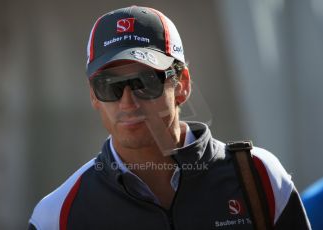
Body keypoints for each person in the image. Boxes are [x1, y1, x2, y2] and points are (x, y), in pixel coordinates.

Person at [28, 6, 311, 230]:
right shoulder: (57, 215)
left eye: (145, 81)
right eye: (109, 86)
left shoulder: (261, 177)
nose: (127, 102)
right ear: (93, 95)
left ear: (182, 84)